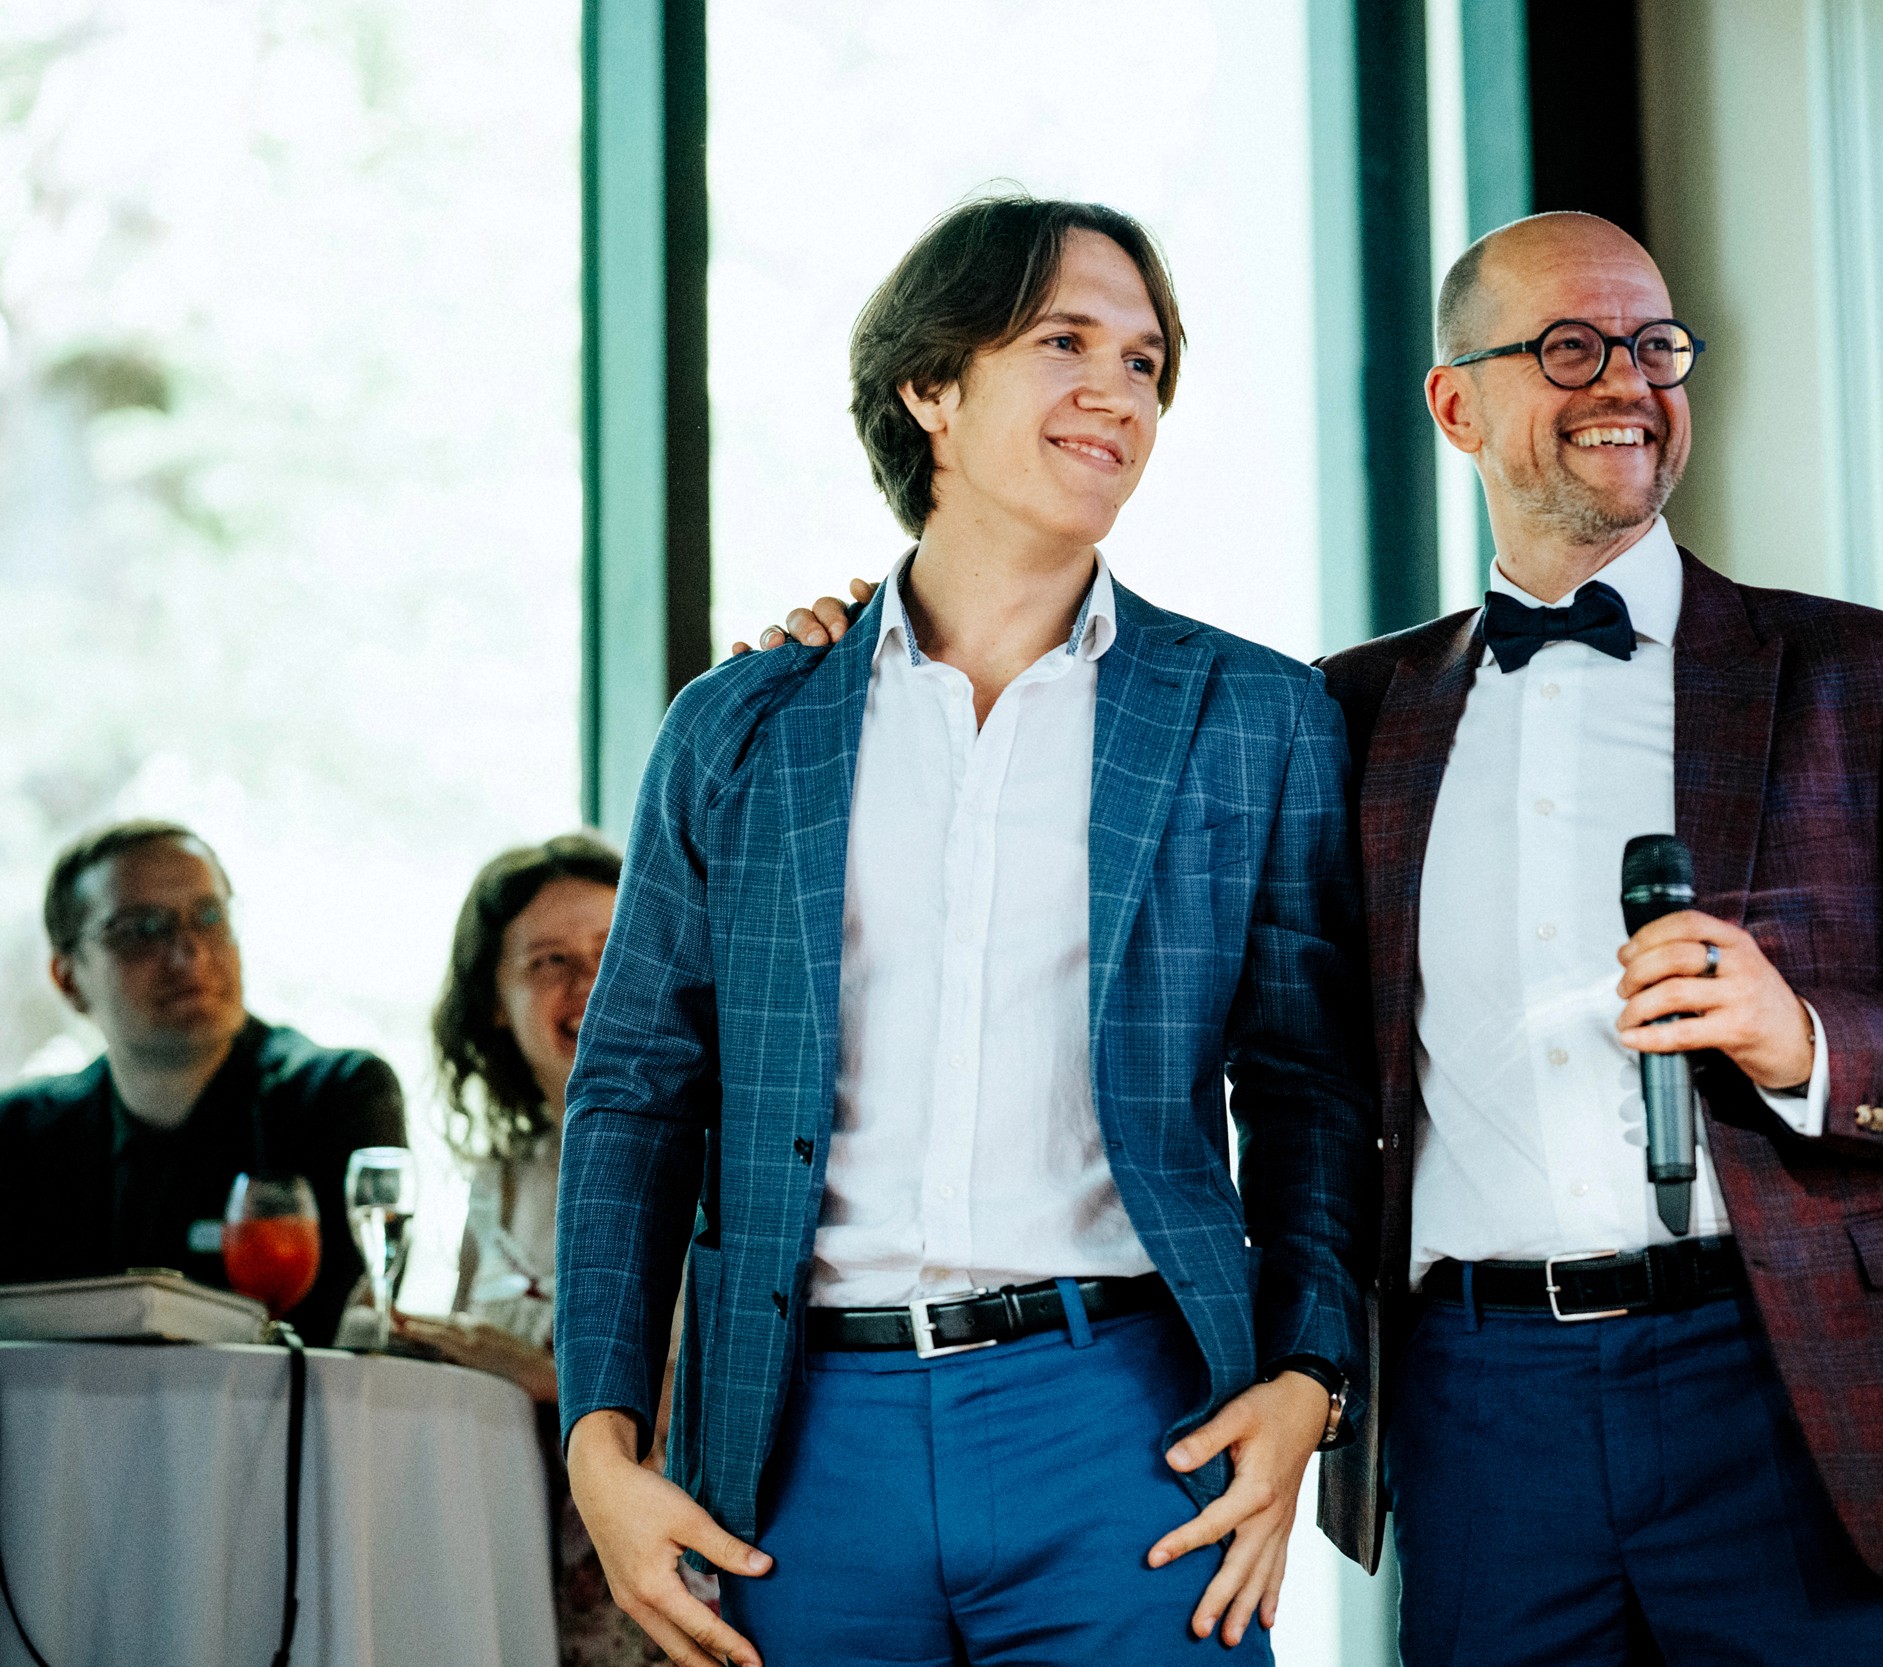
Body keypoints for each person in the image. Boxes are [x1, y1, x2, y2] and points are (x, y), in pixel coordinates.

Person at [757, 212, 1883, 1664]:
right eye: (1570, 347)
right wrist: (843, 661)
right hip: (1477, 1412)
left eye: (1658, 347)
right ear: (1455, 403)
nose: (1627, 384)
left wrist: (1811, 1040)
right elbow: (1290, 1070)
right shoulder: (1340, 712)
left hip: (1786, 1396)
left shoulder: (1863, 676)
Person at [558, 194, 1373, 1667]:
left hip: (1130, 1421)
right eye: (1066, 339)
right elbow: (633, 1091)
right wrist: (598, 1440)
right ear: (929, 386)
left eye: (1144, 360)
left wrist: (1311, 1372)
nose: (1116, 392)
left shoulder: (1253, 715)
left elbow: (1314, 1084)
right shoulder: (742, 726)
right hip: (800, 1439)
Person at [392, 833, 673, 1667]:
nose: (590, 985)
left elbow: (740, 1414)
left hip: (668, 1583)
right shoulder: (485, 1185)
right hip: (497, 1567)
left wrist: (541, 1374)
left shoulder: (728, 1159)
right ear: (493, 1001)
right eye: (550, 961)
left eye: (613, 950)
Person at [0, 819, 407, 1344]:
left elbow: (341, 1337)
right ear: (69, 978)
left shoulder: (335, 1097)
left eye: (210, 917)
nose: (189, 953)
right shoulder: (20, 1139)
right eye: (142, 929)